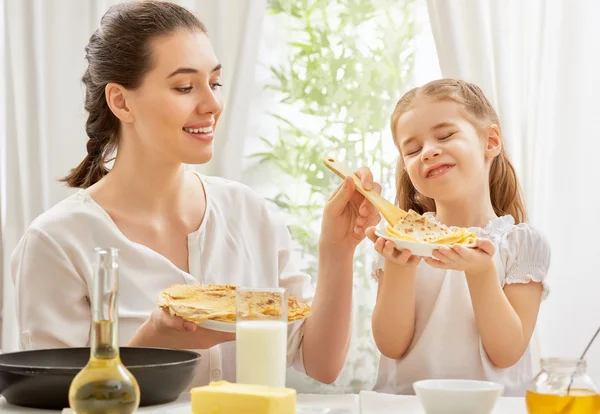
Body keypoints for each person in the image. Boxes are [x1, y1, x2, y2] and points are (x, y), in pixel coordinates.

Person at [11, 1, 381, 386]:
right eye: (185, 87)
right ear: (121, 101)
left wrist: (337, 250)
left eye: (215, 83)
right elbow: (57, 402)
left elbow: (320, 364)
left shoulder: (247, 212)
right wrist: (154, 341)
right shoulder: (57, 243)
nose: (213, 104)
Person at [366, 79, 551, 396]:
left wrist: (480, 273)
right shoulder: (398, 237)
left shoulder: (522, 244)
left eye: (445, 135)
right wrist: (400, 268)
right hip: (408, 406)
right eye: (412, 149)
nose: (428, 152)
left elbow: (506, 353)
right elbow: (391, 345)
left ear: (490, 141)